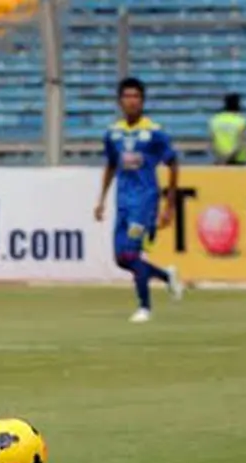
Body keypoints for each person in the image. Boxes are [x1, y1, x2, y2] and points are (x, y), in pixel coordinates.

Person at [94, 76, 185, 324]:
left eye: (136, 96)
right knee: (120, 259)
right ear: (120, 101)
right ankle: (166, 276)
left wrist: (170, 205)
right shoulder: (113, 133)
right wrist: (101, 199)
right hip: (122, 201)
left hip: (145, 201)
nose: (131, 101)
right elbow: (111, 165)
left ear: (142, 101)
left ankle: (145, 307)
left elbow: (173, 163)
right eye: (127, 96)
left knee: (131, 254)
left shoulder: (154, 133)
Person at [209, 93, 246, 166]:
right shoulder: (241, 120)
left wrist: (223, 158)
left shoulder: (215, 119)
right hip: (238, 161)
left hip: (220, 159)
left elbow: (212, 142)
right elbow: (241, 143)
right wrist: (229, 158)